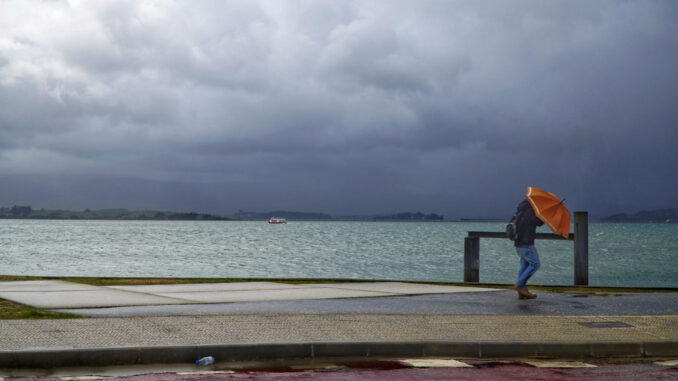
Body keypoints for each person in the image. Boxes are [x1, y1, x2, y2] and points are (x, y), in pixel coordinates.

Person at [512, 199, 544, 299]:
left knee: (524, 265)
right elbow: (538, 222)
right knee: (535, 264)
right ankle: (519, 284)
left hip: (518, 244)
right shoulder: (529, 211)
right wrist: (543, 216)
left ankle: (522, 292)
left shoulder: (519, 211)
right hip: (527, 244)